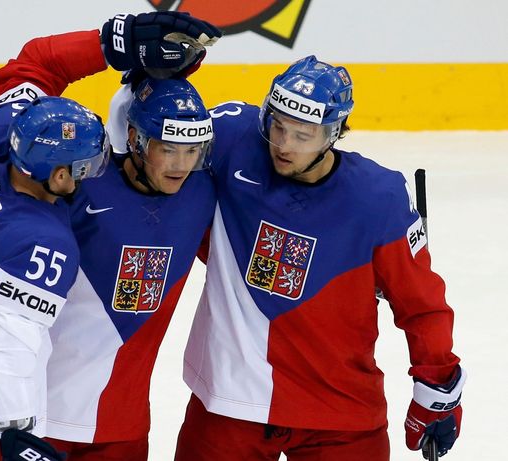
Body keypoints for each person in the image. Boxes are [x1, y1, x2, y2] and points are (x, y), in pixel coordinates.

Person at [0, 11, 221, 461]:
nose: (94, 173)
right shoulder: (42, 240)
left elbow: (33, 66)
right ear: (58, 175)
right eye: (84, 168)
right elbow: (10, 343)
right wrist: (19, 433)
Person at [174, 55, 465, 461]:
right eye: (277, 126)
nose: (284, 145)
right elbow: (153, 139)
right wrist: (152, 77)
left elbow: (422, 304)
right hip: (229, 402)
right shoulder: (233, 140)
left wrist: (437, 387)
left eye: (303, 134)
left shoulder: (377, 198)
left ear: (335, 132)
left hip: (340, 412)